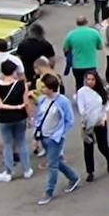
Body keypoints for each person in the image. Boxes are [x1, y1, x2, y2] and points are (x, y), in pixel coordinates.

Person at [33, 73, 81, 205]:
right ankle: (74, 177)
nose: (41, 89)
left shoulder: (63, 101)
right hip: (44, 136)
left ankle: (48, 192)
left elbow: (69, 120)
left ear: (51, 88)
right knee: (55, 162)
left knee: (52, 165)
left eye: (44, 87)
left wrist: (59, 134)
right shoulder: (42, 99)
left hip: (55, 138)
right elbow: (39, 117)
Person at [0, 59, 32, 182]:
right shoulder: (21, 84)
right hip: (20, 117)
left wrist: (11, 107)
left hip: (4, 118)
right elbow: (27, 103)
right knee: (21, 143)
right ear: (14, 71)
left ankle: (8, 171)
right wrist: (29, 117)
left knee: (7, 144)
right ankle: (27, 170)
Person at [77, 70, 109, 182]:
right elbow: (81, 108)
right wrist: (86, 119)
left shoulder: (100, 91)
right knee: (88, 148)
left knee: (102, 146)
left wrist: (107, 115)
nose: (90, 82)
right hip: (88, 123)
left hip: (100, 122)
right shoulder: (82, 92)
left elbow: (105, 105)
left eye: (92, 79)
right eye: (88, 79)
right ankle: (90, 171)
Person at [63, 15, 103, 88]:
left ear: (76, 23)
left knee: (79, 84)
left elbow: (65, 49)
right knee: (92, 85)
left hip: (77, 65)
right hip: (91, 64)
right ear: (86, 22)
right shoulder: (94, 33)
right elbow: (100, 47)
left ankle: (80, 98)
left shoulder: (71, 34)